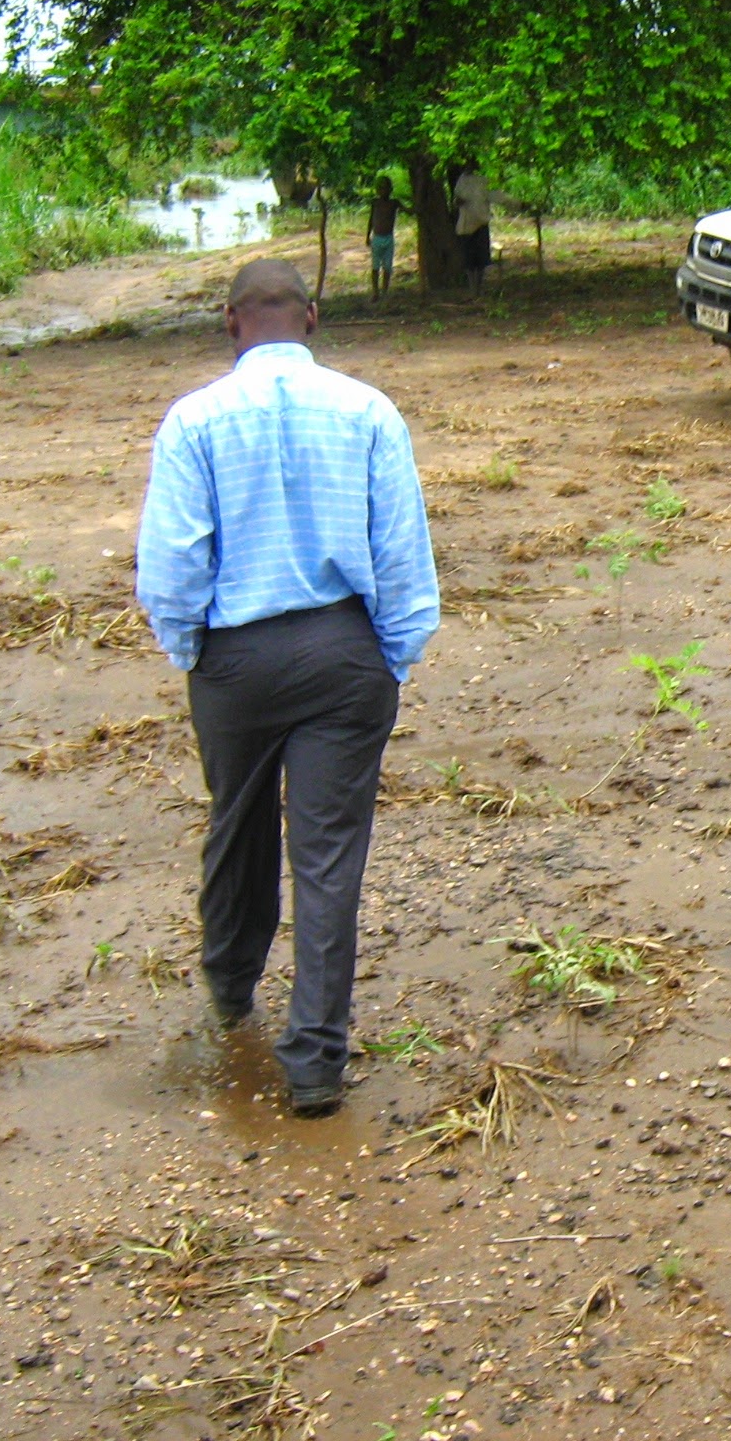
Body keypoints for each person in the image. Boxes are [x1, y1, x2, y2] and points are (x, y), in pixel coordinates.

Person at [136, 258, 440, 1116]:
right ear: (311, 317)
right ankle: (313, 1064)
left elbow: (171, 563)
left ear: (230, 323)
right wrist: (392, 655)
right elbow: (402, 555)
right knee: (329, 855)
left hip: (234, 656)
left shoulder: (193, 421)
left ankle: (232, 991)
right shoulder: (367, 411)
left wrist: (191, 647)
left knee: (236, 826)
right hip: (343, 651)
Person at [453, 162, 493, 296]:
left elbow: (494, 196)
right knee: (469, 260)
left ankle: (478, 288)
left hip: (480, 222)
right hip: (466, 225)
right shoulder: (461, 181)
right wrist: (459, 202)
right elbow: (456, 200)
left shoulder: (483, 180)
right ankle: (472, 289)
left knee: (481, 259)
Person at [364, 176, 402, 300]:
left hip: (388, 238)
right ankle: (375, 292)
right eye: (381, 188)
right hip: (377, 238)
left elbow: (408, 210)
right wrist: (367, 235)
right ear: (377, 190)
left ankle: (384, 292)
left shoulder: (394, 203)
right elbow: (371, 220)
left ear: (390, 190)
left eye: (386, 188)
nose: (384, 191)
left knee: (387, 268)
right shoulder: (375, 203)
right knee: (375, 267)